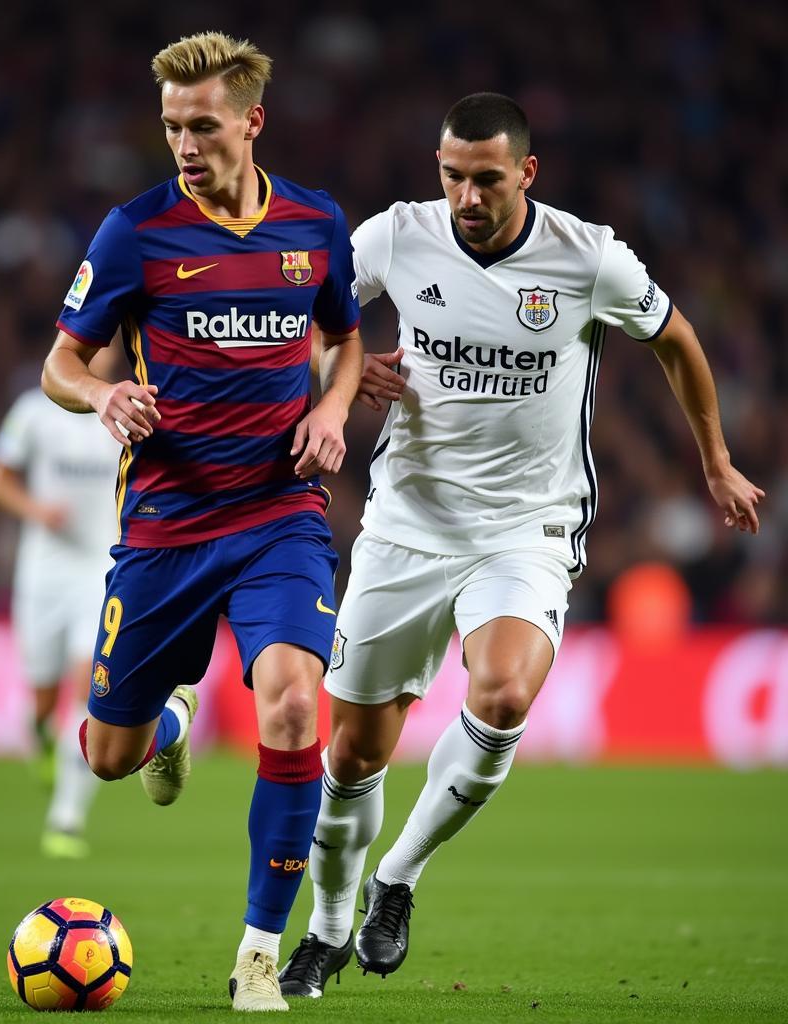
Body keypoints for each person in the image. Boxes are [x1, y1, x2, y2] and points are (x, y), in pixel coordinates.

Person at [278, 92, 765, 997]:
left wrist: (718, 461)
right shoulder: (396, 235)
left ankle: (399, 879)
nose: (467, 196)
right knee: (350, 757)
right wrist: (335, 368)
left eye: (488, 179)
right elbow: (304, 312)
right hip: (406, 526)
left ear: (526, 173)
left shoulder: (589, 257)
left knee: (502, 694)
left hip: (526, 530)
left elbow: (678, 341)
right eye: (453, 176)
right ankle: (329, 928)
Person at [41, 32, 363, 1012]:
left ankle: (260, 953)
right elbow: (59, 364)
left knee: (296, 706)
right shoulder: (135, 232)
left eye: (202, 124)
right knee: (106, 756)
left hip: (278, 518)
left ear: (252, 121)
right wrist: (98, 398)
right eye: (172, 125)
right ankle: (171, 717)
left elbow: (346, 340)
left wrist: (333, 408)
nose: (182, 143)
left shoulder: (313, 224)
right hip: (165, 528)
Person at [0, 346, 123, 859]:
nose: (104, 350)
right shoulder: (33, 411)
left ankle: (66, 817)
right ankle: (39, 736)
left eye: (112, 343)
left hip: (100, 572)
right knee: (42, 699)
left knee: (89, 687)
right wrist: (37, 510)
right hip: (43, 574)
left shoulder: (126, 411)